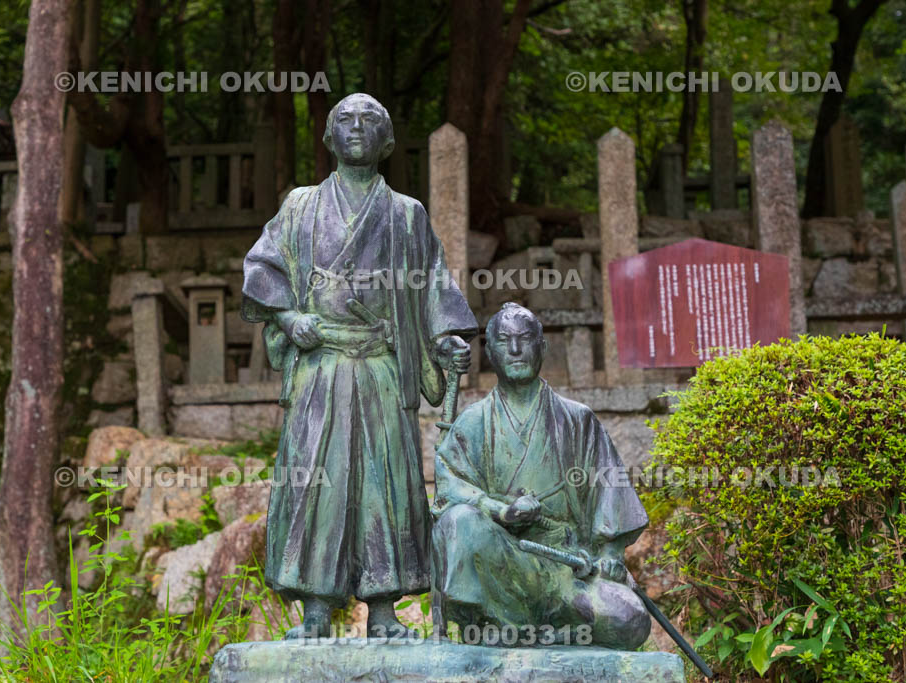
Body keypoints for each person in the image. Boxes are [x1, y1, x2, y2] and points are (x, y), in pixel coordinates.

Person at [241, 93, 476, 638]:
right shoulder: (300, 205)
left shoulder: (405, 214)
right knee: (315, 487)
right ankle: (316, 610)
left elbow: (433, 288)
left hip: (380, 366)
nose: (356, 127)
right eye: (344, 119)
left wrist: (445, 342)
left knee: (385, 485)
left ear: (387, 142)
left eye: (370, 120)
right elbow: (262, 269)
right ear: (327, 138)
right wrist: (288, 317)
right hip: (321, 364)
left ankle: (385, 611)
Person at [432, 303, 651, 649]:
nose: (516, 350)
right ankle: (504, 623)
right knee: (459, 521)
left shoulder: (578, 420)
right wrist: (500, 511)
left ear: (543, 348)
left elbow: (611, 493)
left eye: (525, 339)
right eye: (504, 342)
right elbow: (448, 492)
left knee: (630, 621)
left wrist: (610, 554)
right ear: (489, 353)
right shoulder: (473, 422)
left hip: (566, 568)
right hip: (502, 560)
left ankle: (537, 630)